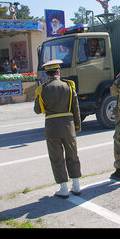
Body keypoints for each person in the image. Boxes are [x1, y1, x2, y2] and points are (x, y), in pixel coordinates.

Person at [34, 60, 82, 198]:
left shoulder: (42, 89)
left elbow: (37, 110)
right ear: (58, 72)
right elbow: (76, 108)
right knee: (72, 154)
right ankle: (77, 186)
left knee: (57, 158)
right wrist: (77, 125)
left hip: (52, 127)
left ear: (47, 74)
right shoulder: (68, 86)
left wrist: (38, 96)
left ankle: (63, 188)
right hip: (68, 125)